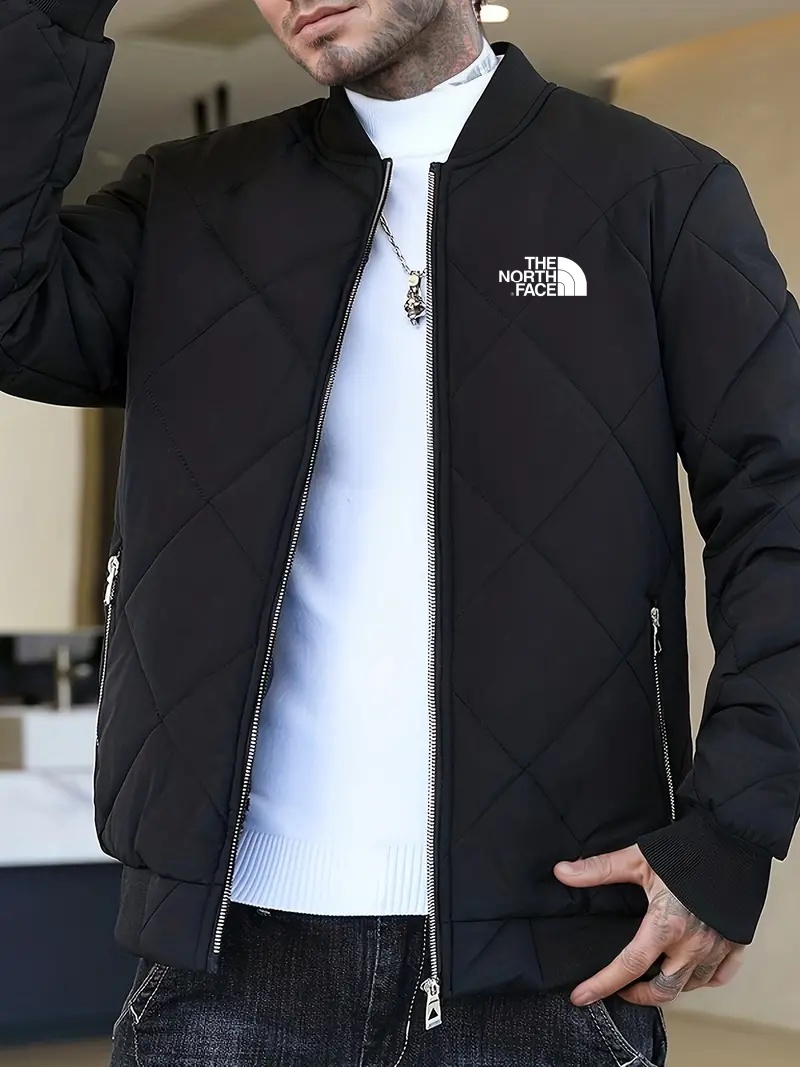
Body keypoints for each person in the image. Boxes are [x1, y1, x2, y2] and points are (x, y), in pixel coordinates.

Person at [2, 0, 799, 1063]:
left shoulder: (655, 188)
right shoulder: (189, 199)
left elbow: (781, 504)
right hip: (229, 953)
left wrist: (730, 830)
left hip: (547, 954)